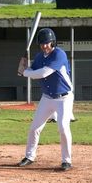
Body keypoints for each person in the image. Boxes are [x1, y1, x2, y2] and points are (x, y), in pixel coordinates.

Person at [16, 28, 74, 171]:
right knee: (34, 128)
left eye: (47, 43)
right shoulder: (40, 57)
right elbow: (32, 69)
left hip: (64, 98)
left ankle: (66, 160)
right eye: (42, 43)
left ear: (53, 42)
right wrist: (23, 67)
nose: (45, 46)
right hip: (47, 98)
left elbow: (43, 73)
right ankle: (29, 156)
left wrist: (24, 73)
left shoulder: (59, 54)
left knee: (62, 127)